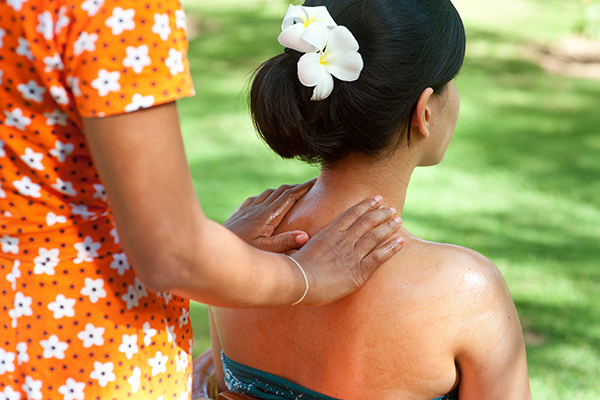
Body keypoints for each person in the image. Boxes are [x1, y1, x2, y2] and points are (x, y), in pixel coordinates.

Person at [0, 0, 404, 398]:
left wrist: (211, 246)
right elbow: (171, 257)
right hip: (72, 352)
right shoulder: (118, 8)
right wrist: (307, 276)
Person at [209, 0, 532, 399]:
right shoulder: (466, 291)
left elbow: (221, 387)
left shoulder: (237, 245)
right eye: (454, 81)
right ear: (425, 110)